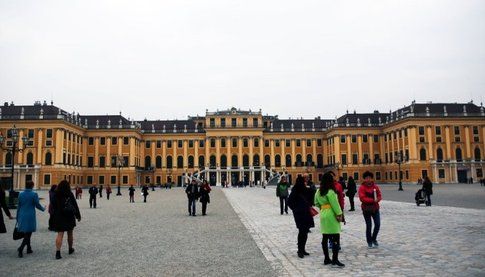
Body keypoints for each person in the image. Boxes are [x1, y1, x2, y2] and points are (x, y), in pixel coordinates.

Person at [314, 172, 345, 267]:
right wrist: (340, 214)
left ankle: (326, 258)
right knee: (336, 236)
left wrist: (323, 208)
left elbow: (316, 203)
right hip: (331, 214)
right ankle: (335, 259)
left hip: (323, 213)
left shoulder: (318, 191)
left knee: (325, 237)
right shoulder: (330, 192)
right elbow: (335, 204)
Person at [51, 180, 81, 259]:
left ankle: (58, 252)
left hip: (59, 216)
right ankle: (70, 249)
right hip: (69, 216)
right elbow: (75, 205)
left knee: (60, 234)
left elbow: (53, 205)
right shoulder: (69, 194)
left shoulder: (56, 194)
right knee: (70, 233)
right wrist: (78, 215)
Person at [16, 181, 46, 258]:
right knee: (28, 233)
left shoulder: (21, 194)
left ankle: (29, 248)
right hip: (30, 215)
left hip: (22, 214)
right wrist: (43, 209)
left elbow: (18, 206)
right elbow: (37, 205)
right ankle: (21, 248)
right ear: (32, 186)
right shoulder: (34, 194)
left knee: (27, 232)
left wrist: (17, 216)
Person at [287, 176, 315, 258]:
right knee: (302, 231)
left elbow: (312, 197)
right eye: (303, 181)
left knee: (305, 231)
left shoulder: (305, 189)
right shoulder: (295, 190)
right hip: (300, 214)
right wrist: (296, 209)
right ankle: (300, 250)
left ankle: (303, 249)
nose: (305, 183)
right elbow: (289, 202)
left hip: (306, 213)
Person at [359, 171, 382, 248]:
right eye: (366, 178)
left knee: (378, 224)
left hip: (375, 208)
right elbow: (362, 198)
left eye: (369, 178)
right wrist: (373, 200)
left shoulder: (375, 187)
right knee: (369, 225)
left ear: (372, 178)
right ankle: (369, 241)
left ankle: (374, 238)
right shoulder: (362, 187)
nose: (368, 179)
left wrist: (378, 199)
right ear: (364, 179)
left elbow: (379, 195)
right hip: (366, 209)